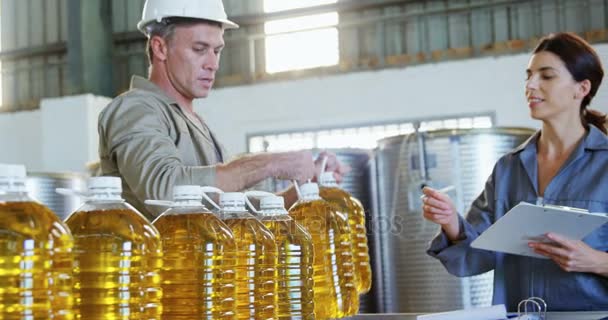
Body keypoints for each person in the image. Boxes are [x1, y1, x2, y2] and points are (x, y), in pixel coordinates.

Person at [98, 0, 347, 220]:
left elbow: (235, 211)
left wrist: (303, 190)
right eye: (199, 49)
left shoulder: (195, 124)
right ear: (160, 48)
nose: (213, 64)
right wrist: (270, 164)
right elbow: (166, 191)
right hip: (161, 272)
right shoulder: (135, 109)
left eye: (217, 51)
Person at [422, 32, 608, 311]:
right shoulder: (508, 169)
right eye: (529, 75)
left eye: (546, 76)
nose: (530, 85)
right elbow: (478, 257)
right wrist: (452, 223)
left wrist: (596, 261)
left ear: (581, 89)